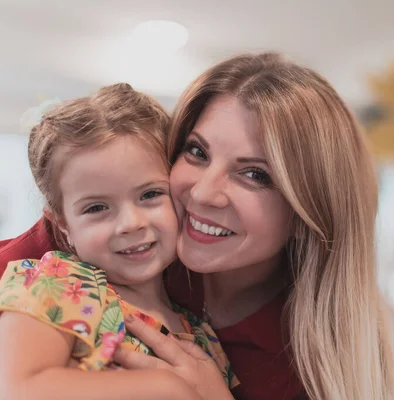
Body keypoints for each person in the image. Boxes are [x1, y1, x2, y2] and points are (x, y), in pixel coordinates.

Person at [0, 53, 394, 399]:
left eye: (256, 175)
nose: (204, 193)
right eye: (197, 151)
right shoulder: (63, 269)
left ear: (308, 213)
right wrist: (170, 390)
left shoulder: (233, 344)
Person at [0, 83, 237, 400]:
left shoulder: (202, 334)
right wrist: (168, 389)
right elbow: (18, 389)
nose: (131, 223)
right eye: (97, 208)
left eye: (150, 194)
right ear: (64, 226)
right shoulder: (57, 282)